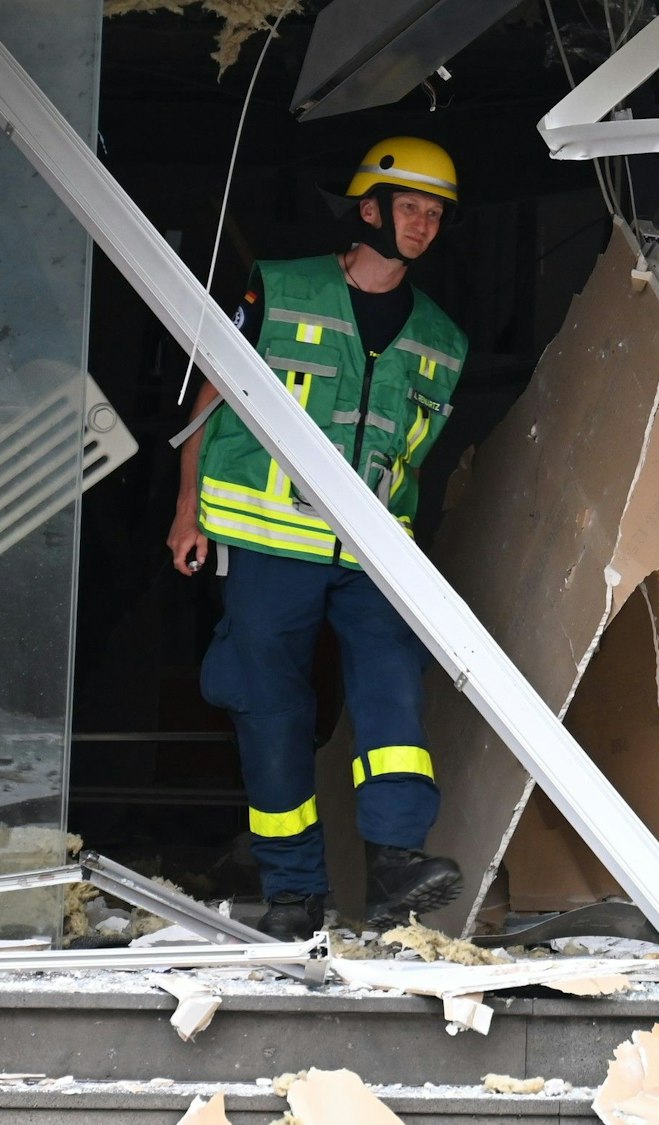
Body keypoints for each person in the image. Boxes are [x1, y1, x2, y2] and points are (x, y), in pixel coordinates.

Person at [167, 137, 468, 940]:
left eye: (435, 213)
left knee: (394, 689)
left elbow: (414, 459)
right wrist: (187, 505)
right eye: (410, 207)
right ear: (368, 208)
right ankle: (294, 889)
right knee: (272, 713)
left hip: (371, 552)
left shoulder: (444, 340)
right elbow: (211, 396)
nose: (424, 224)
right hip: (268, 544)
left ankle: (399, 857)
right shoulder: (282, 287)